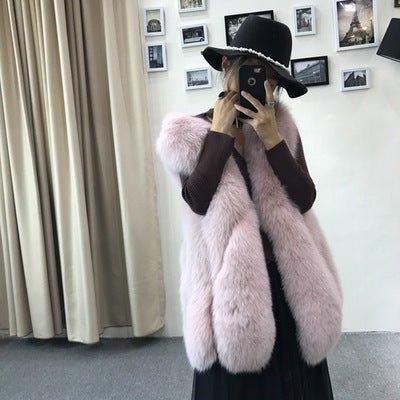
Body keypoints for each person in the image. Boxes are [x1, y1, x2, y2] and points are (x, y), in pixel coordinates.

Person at [157, 16, 343, 400]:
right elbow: (197, 200)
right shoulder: (188, 134)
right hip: (228, 282)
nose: (266, 88)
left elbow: (304, 198)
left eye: (274, 80)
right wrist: (220, 136)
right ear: (228, 66)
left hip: (286, 277)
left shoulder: (280, 126)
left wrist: (273, 140)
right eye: (256, 74)